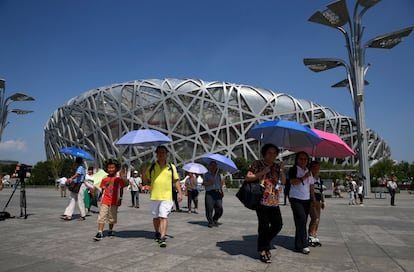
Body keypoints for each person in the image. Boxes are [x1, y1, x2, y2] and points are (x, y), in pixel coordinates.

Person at [245, 143, 285, 264]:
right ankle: (263, 250)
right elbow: (248, 177)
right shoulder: (258, 163)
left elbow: (283, 182)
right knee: (263, 226)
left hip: (274, 200)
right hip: (261, 200)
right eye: (269, 152)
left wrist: (282, 170)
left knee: (278, 225)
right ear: (264, 154)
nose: (272, 155)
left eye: (274, 153)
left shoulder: (277, 166)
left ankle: (264, 243)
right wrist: (262, 173)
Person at [142, 145, 182, 248]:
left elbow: (176, 181)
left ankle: (163, 237)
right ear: (156, 154)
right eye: (159, 153)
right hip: (155, 196)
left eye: (163, 153)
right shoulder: (151, 167)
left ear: (166, 154)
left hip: (167, 197)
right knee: (156, 217)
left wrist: (180, 193)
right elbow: (145, 181)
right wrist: (143, 172)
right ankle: (157, 232)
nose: (161, 155)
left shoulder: (171, 167)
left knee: (163, 216)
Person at [288, 151, 314, 254]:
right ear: (297, 160)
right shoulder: (293, 170)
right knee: (302, 219)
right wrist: (304, 177)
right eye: (301, 159)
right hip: (295, 198)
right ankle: (304, 244)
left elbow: (311, 185)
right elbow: (293, 182)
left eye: (305, 159)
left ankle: (298, 245)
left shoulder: (308, 170)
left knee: (302, 222)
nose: (303, 161)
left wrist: (313, 199)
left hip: (306, 199)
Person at [94, 159, 126, 241]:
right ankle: (100, 232)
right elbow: (102, 189)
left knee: (112, 217)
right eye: (109, 168)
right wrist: (105, 186)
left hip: (114, 201)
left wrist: (120, 199)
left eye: (112, 168)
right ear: (106, 169)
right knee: (102, 216)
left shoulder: (118, 179)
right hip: (105, 200)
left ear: (116, 168)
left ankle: (110, 230)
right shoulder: (104, 179)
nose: (110, 169)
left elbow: (121, 189)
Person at [203, 161, 225, 228]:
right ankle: (210, 221)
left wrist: (222, 191)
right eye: (212, 165)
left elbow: (221, 184)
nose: (213, 167)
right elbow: (204, 184)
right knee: (209, 208)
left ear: (216, 167)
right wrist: (210, 182)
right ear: (210, 166)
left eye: (215, 166)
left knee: (220, 208)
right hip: (209, 193)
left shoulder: (219, 175)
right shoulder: (206, 174)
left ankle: (215, 219)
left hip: (218, 192)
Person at [308, 160, 325, 247]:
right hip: (312, 201)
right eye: (314, 167)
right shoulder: (309, 177)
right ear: (311, 168)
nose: (317, 169)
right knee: (314, 218)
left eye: (318, 168)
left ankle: (315, 234)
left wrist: (323, 201)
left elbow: (321, 191)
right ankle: (311, 235)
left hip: (318, 200)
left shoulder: (319, 179)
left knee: (318, 218)